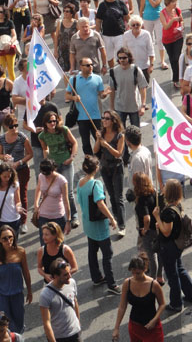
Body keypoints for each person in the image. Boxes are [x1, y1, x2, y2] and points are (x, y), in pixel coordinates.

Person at [152, 177, 192, 314]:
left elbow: (166, 232)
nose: (163, 188)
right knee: (180, 269)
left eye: (166, 186)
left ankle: (176, 303)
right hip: (177, 245)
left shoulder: (168, 211)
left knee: (172, 275)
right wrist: (160, 223)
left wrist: (157, 217)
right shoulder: (177, 205)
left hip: (169, 247)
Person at [76, 154, 120, 294]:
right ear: (95, 168)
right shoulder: (96, 184)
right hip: (99, 225)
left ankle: (96, 277)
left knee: (92, 251)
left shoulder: (80, 182)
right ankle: (112, 284)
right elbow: (100, 204)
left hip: (88, 223)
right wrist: (112, 218)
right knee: (107, 254)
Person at [0, 224, 32, 333]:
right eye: (4, 238)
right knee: (8, 326)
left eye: (10, 237)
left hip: (17, 295)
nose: (8, 240)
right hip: (0, 296)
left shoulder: (21, 252)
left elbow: (26, 273)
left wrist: (30, 291)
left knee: (19, 323)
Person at [38, 111, 79, 228]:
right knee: (55, 192)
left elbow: (74, 142)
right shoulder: (42, 136)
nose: (53, 123)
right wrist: (47, 162)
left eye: (54, 121)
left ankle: (74, 216)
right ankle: (61, 215)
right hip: (53, 167)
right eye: (50, 121)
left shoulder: (64, 130)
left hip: (66, 163)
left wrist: (72, 157)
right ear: (45, 123)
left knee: (69, 192)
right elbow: (45, 149)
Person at [112, 254, 166, 342]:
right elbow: (122, 306)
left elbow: (162, 304)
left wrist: (154, 320)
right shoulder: (127, 283)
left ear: (144, 269)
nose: (135, 276)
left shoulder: (154, 284)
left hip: (152, 328)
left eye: (138, 273)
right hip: (135, 327)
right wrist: (116, 328)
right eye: (132, 272)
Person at [0, 113, 33, 234]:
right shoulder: (2, 139)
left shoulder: (22, 137)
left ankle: (23, 222)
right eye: (12, 126)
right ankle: (11, 219)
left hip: (22, 170)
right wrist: (4, 156)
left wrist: (20, 162)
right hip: (9, 172)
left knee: (22, 195)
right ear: (6, 126)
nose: (15, 128)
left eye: (16, 125)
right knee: (10, 196)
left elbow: (30, 154)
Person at [93, 109, 125, 237]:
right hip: (105, 167)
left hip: (117, 167)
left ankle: (122, 225)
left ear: (113, 121)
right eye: (103, 118)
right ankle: (116, 218)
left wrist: (106, 145)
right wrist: (97, 140)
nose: (104, 121)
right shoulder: (101, 133)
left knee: (119, 197)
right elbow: (95, 151)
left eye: (107, 118)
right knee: (111, 196)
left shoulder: (120, 135)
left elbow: (118, 153)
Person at [65, 56, 104, 156]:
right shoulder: (74, 79)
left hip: (96, 115)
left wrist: (105, 94)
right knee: (85, 142)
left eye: (91, 65)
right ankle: (90, 161)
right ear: (81, 67)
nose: (90, 67)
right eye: (87, 65)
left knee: (99, 139)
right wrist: (74, 98)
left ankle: (100, 159)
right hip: (81, 117)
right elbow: (67, 95)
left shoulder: (98, 78)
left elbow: (101, 94)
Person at [39, 257, 81, 342]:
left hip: (75, 333)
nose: (69, 276)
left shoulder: (72, 282)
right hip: (59, 337)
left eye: (69, 272)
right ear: (55, 276)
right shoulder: (45, 294)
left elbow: (75, 302)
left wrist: (78, 322)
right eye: (65, 274)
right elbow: (46, 323)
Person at [109, 48, 148, 128]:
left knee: (135, 132)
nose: (122, 60)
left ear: (129, 58)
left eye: (124, 58)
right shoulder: (114, 71)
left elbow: (142, 87)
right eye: (120, 58)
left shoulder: (136, 70)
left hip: (134, 107)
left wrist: (143, 105)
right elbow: (112, 90)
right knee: (121, 133)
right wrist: (112, 108)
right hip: (119, 107)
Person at [160, 0, 184, 88]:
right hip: (167, 39)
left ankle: (177, 79)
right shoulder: (163, 13)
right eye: (173, 2)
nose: (175, 4)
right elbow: (165, 26)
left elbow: (181, 20)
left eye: (176, 2)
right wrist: (173, 20)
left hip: (178, 37)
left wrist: (180, 26)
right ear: (168, 3)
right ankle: (176, 77)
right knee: (172, 58)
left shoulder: (177, 10)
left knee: (176, 57)